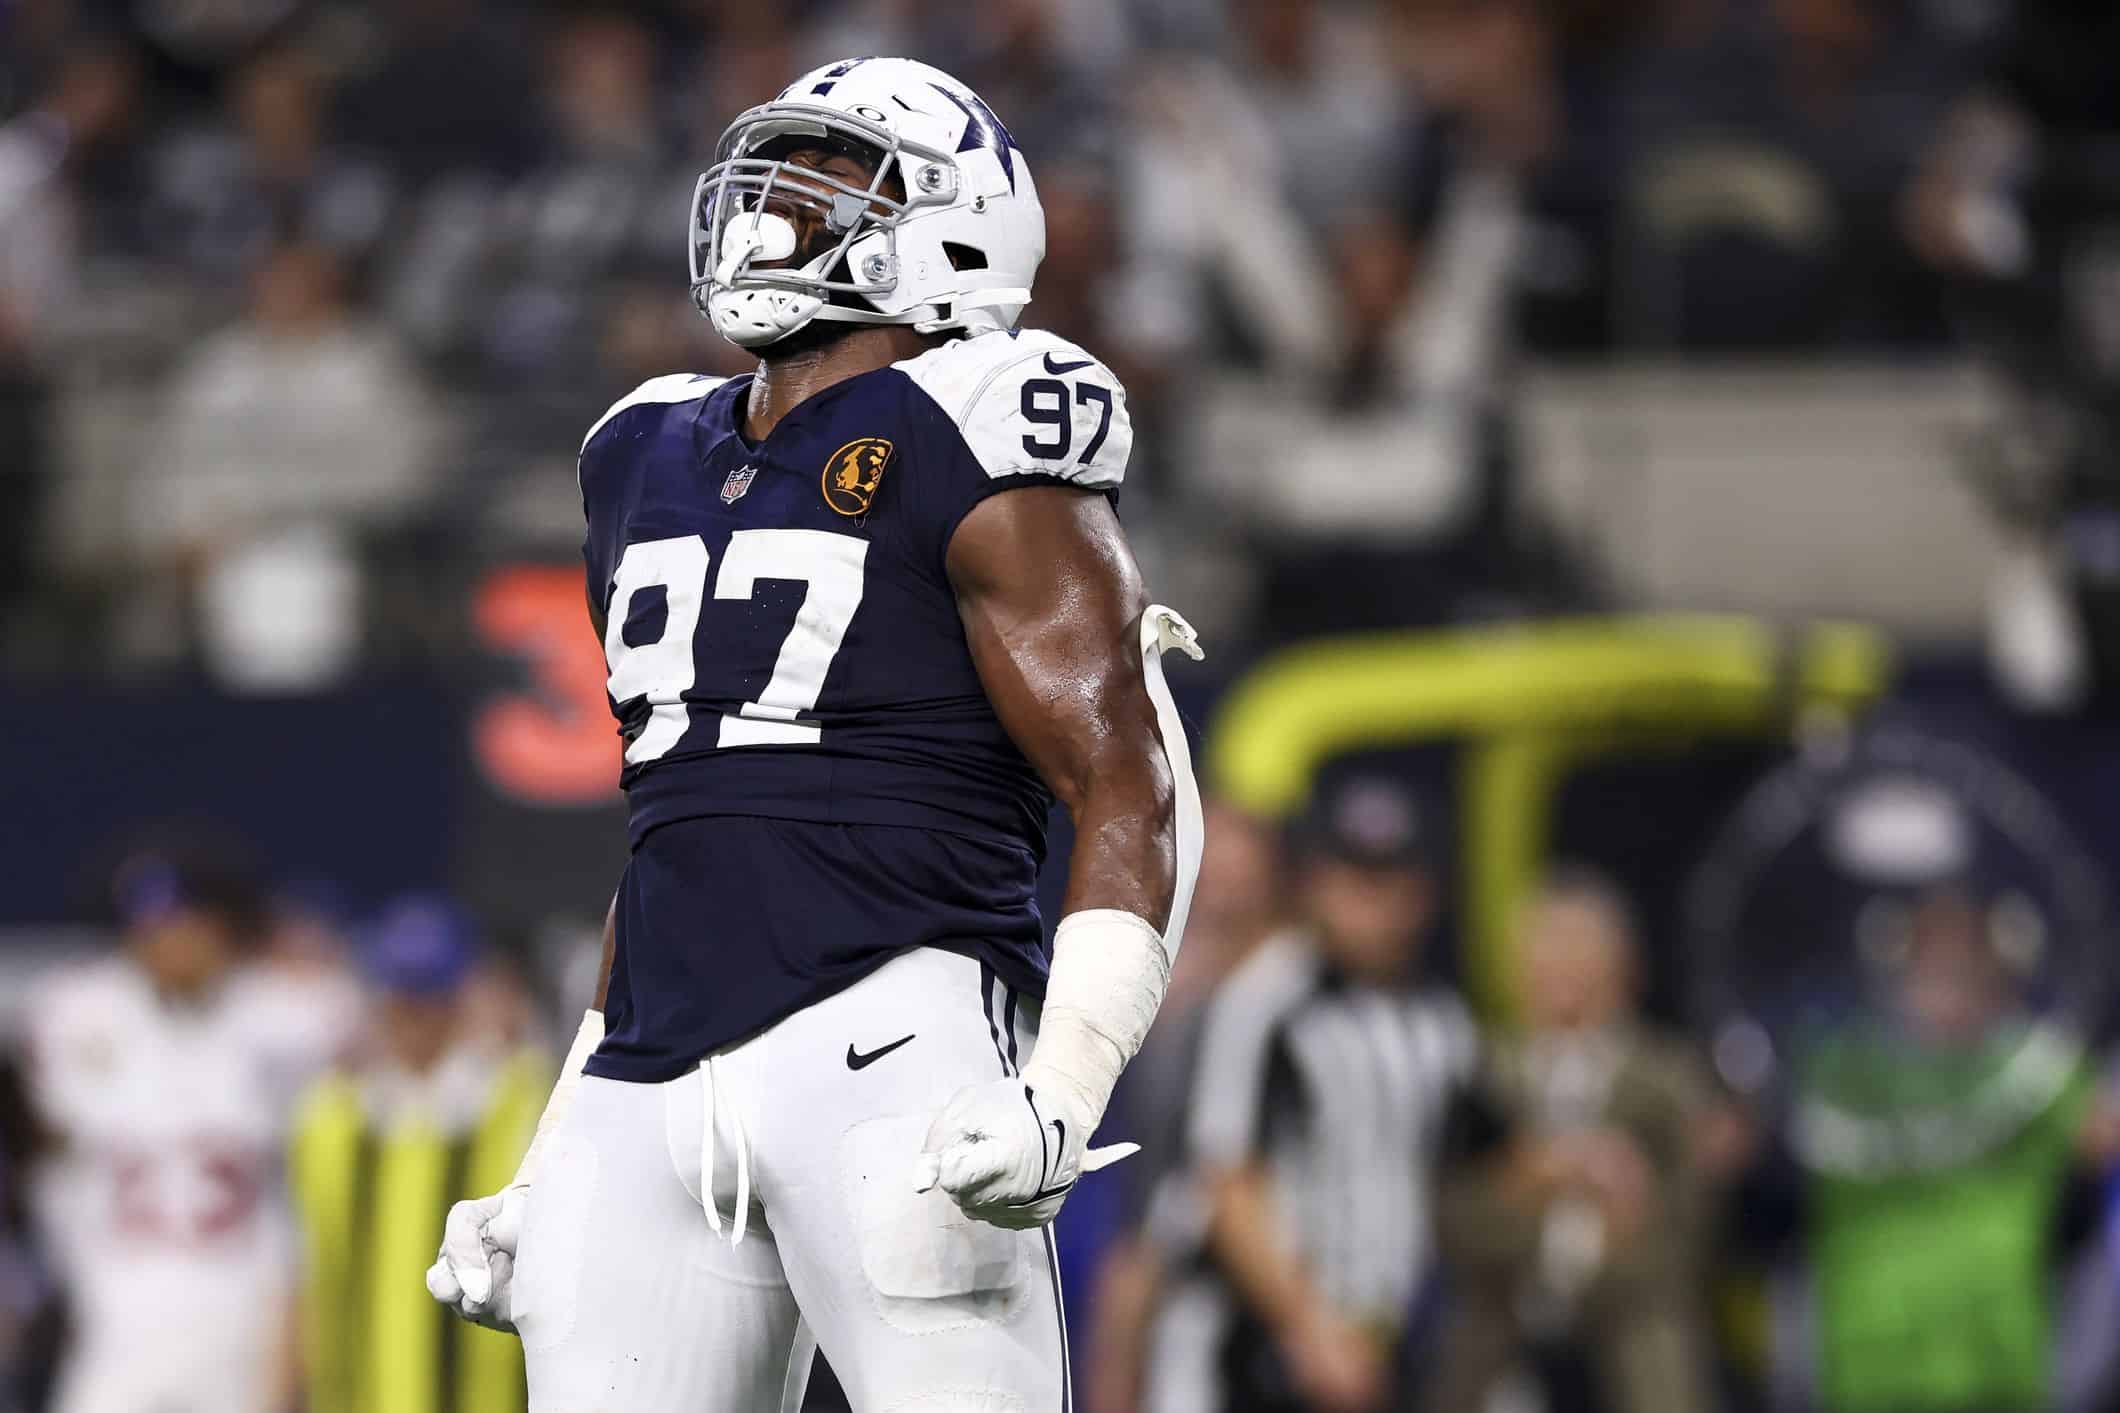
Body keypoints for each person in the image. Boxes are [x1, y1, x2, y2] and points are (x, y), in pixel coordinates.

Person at [425, 56, 1203, 1411]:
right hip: (646, 1070)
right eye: (776, 165)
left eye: (835, 175)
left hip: (891, 1038)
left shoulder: (980, 421)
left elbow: (1131, 776)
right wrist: (557, 1141)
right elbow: (687, 831)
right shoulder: (640, 450)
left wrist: (1068, 1081)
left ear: (955, 225)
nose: (772, 204)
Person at [1144, 774, 1473, 1413]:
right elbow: (1229, 1180)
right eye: (1357, 881)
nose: (1376, 906)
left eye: (1394, 882)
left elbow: (1477, 1162)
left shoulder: (1442, 1021)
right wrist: (1308, 1324)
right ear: (1316, 884)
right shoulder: (1267, 1000)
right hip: (1249, 1350)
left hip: (1384, 1340)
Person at [23, 845, 353, 1413]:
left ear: (220, 929)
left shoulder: (282, 1016)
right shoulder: (85, 1014)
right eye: (149, 929)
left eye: (181, 926)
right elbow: (49, 1128)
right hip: (119, 1311)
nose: (165, 945)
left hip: (238, 1311)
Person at [1421, 870, 1720, 1413]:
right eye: (1546, 960)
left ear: (1622, 971)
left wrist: (1612, 1233)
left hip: (1637, 1365)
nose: (1562, 980)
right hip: (1502, 1362)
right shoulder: (1487, 1079)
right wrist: (1543, 1177)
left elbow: (1685, 1239)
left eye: (1581, 961)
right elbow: (1456, 1223)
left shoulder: (1668, 1082)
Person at [290, 896, 548, 1413]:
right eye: (401, 993)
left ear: (462, 997)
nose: (413, 1014)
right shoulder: (330, 1118)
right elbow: (311, 1275)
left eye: (430, 994)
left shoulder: (517, 1103)